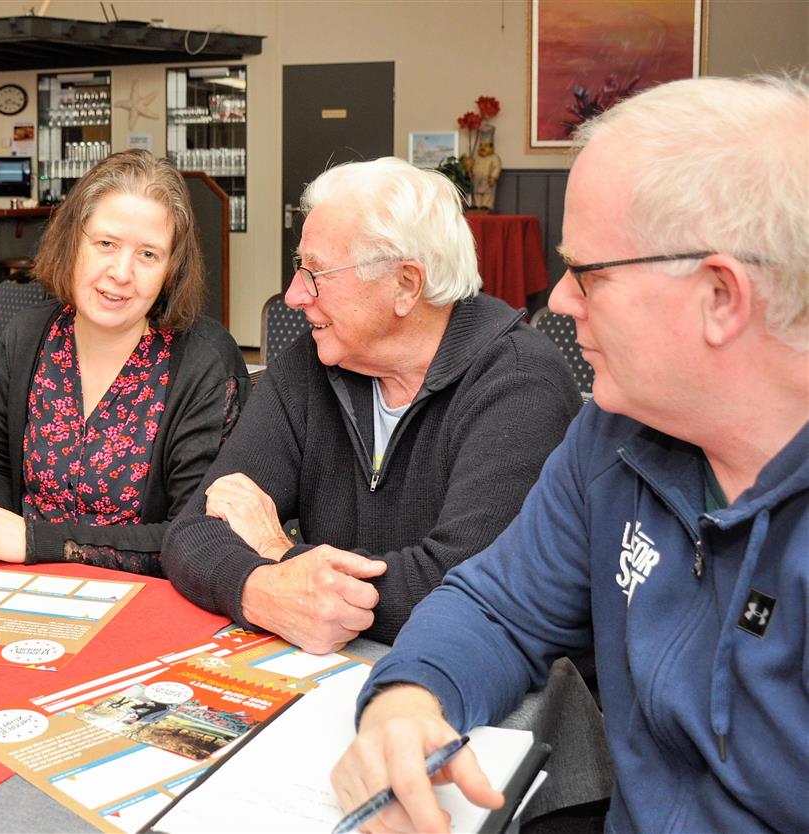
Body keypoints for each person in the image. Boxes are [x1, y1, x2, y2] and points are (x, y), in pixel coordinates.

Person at [331, 74, 808, 833]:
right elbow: (495, 606)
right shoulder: (613, 438)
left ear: (720, 296)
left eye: (588, 274)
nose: (557, 300)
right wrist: (405, 700)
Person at [161, 156, 581, 654]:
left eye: (316, 273)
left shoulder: (518, 381)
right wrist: (260, 590)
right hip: (332, 673)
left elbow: (456, 591)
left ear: (406, 284)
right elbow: (193, 530)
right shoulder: (311, 364)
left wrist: (279, 553)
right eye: (300, 268)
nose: (295, 295)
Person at [0, 150, 248, 575]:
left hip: (147, 600)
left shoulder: (205, 362)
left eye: (148, 254)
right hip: (22, 585)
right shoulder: (25, 338)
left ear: (172, 269)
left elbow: (196, 534)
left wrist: (31, 540)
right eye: (106, 244)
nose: (121, 272)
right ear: (72, 242)